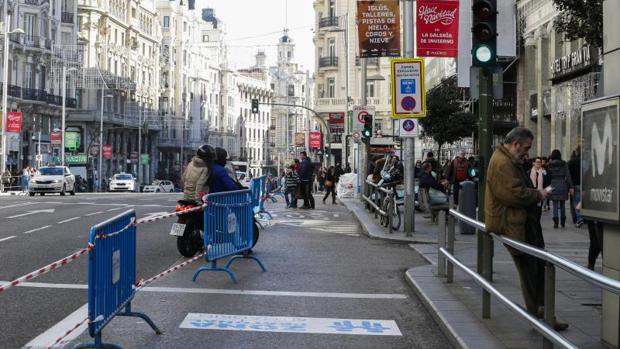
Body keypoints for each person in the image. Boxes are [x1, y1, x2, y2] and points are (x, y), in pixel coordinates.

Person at [485, 127, 567, 330]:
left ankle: (542, 312)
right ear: (516, 144)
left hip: (521, 223)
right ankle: (539, 316)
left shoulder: (510, 160)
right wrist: (538, 194)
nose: (528, 153)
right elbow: (513, 194)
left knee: (539, 267)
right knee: (531, 271)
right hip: (515, 225)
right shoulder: (503, 163)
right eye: (526, 148)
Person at [547, 149, 573, 229]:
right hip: (562, 184)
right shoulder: (564, 164)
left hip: (553, 184)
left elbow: (548, 177)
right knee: (562, 205)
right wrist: (571, 186)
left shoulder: (549, 165)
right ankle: (562, 222)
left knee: (554, 205)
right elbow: (568, 175)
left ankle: (555, 222)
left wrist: (547, 187)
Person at [568, 147, 583, 227]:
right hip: (584, 184)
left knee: (576, 202)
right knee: (583, 202)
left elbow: (568, 175)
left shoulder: (571, 162)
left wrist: (570, 186)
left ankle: (579, 218)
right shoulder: (585, 161)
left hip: (575, 184)